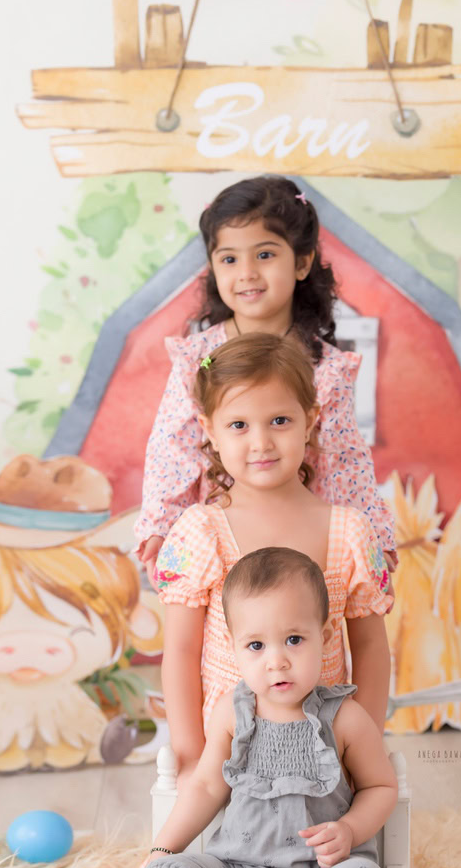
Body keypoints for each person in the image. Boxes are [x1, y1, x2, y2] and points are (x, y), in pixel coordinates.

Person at [121, 547, 398, 868]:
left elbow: (380, 787)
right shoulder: (231, 715)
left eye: (293, 639)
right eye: (256, 646)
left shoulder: (345, 718)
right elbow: (205, 788)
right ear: (233, 648)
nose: (277, 661)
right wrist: (161, 850)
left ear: (323, 638)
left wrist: (351, 829)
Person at [152, 331, 393, 776]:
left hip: (322, 752)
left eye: (279, 421)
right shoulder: (202, 532)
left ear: (311, 419)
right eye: (239, 425)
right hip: (227, 755)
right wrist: (190, 755)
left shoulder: (348, 532)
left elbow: (372, 647)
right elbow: (181, 651)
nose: (260, 442)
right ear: (210, 431)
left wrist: (365, 744)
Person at [134, 175, 395, 583]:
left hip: (298, 545)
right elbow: (172, 449)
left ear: (303, 261)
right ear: (213, 267)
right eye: (230, 259)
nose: (247, 273)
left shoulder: (324, 369)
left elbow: (343, 461)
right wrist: (160, 524)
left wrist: (370, 535)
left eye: (265, 254)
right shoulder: (197, 360)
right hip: (220, 541)